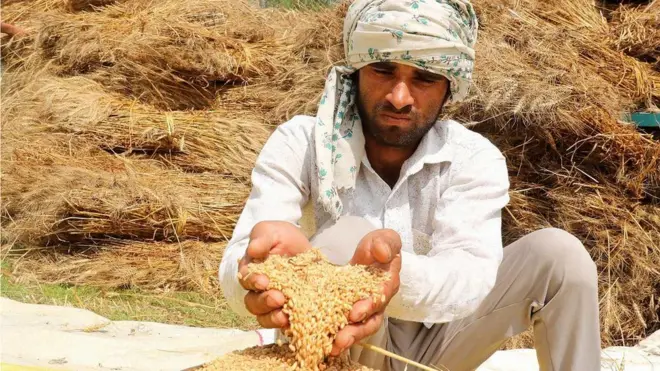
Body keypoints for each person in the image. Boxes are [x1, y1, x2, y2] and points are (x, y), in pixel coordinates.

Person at [219, 0, 600, 370]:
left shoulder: (472, 157)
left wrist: (391, 279)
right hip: (340, 346)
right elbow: (238, 263)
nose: (399, 98)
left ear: (449, 87)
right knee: (345, 236)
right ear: (357, 71)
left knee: (560, 257)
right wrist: (258, 272)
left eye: (424, 78)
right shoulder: (302, 142)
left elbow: (470, 275)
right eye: (383, 69)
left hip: (442, 346)